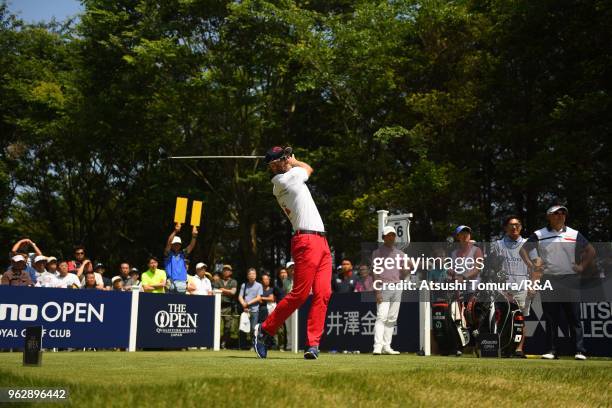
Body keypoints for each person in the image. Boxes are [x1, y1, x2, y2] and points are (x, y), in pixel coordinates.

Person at [254, 147, 332, 360]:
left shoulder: (289, 177)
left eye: (287, 156)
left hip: (322, 241)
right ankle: (265, 330)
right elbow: (309, 167)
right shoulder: (285, 180)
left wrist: (291, 161)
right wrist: (296, 161)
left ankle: (313, 344)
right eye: (283, 158)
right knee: (299, 294)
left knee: (323, 294)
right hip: (306, 240)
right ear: (273, 166)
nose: (287, 159)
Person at [520, 204, 595, 361]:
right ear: (549, 216)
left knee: (573, 317)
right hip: (549, 278)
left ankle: (579, 350)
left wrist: (581, 266)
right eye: (556, 213)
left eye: (563, 213)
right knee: (551, 318)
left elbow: (591, 251)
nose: (560, 216)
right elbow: (523, 250)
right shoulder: (540, 234)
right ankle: (551, 351)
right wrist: (531, 265)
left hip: (570, 279)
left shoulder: (574, 234)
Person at [491, 215, 532, 358]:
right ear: (505, 228)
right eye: (511, 225)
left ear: (521, 227)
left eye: (517, 224)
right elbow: (493, 266)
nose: (514, 227)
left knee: (520, 319)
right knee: (502, 318)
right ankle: (504, 347)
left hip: (522, 286)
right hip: (503, 288)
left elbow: (536, 266)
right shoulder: (498, 244)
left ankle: (519, 349)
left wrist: (533, 285)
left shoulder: (528, 243)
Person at [371, 226, 405, 355]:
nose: (390, 237)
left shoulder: (400, 254)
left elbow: (404, 272)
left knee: (392, 318)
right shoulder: (377, 253)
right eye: (388, 235)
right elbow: (375, 273)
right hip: (384, 287)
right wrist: (378, 291)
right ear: (383, 237)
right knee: (381, 316)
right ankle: (377, 346)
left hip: (397, 287)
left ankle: (387, 346)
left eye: (392, 235)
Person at [163, 223, 198, 294]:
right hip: (171, 283)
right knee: (168, 304)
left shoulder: (182, 254)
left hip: (182, 283)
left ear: (180, 245)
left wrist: (194, 236)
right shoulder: (168, 254)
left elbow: (191, 246)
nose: (177, 245)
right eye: (175, 244)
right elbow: (169, 243)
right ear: (172, 245)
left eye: (178, 244)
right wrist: (175, 231)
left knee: (180, 304)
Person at [212, 264, 238, 349]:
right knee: (217, 326)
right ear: (222, 272)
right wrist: (228, 291)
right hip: (218, 306)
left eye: (228, 270)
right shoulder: (218, 281)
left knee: (228, 327)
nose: (226, 271)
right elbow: (215, 291)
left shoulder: (233, 281)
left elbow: (233, 292)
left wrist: (223, 290)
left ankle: (224, 343)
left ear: (230, 272)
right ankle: (215, 343)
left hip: (228, 307)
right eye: (225, 270)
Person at [239, 268, 263, 341]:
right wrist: (243, 303)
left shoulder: (259, 285)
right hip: (245, 310)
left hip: (254, 310)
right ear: (247, 276)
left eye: (254, 274)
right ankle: (243, 345)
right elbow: (240, 296)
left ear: (256, 275)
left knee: (253, 328)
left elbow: (259, 298)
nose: (252, 275)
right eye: (250, 274)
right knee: (243, 328)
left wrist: (247, 303)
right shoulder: (244, 285)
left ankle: (254, 345)